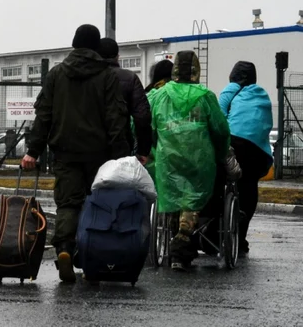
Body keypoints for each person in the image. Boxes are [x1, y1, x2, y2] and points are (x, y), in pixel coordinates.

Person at [21, 24, 130, 283]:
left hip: (65, 152)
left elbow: (43, 115)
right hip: (100, 154)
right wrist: (122, 155)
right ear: (95, 47)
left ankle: (65, 249)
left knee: (68, 203)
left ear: (73, 43)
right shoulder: (107, 76)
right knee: (101, 203)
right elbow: (116, 117)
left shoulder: (57, 74)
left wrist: (33, 151)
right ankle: (94, 253)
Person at [150, 51, 231, 271]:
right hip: (200, 161)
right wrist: (221, 154)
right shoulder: (205, 96)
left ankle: (178, 242)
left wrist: (151, 149)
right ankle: (184, 236)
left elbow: (140, 124)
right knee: (191, 198)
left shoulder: (159, 96)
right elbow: (221, 131)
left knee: (175, 194)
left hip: (168, 161)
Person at [219, 61, 273, 255]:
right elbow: (265, 123)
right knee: (249, 186)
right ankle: (240, 239)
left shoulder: (230, 90)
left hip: (234, 143)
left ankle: (216, 229)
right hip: (257, 151)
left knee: (219, 177)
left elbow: (219, 118)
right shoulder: (262, 94)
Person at [98, 38, 152, 161]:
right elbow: (142, 117)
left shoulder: (87, 77)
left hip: (88, 147)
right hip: (120, 146)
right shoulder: (130, 78)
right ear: (118, 56)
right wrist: (143, 150)